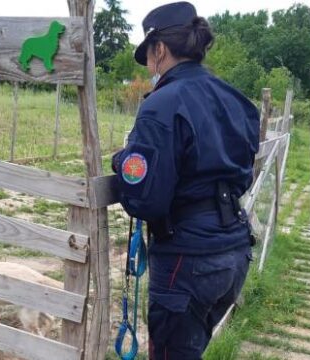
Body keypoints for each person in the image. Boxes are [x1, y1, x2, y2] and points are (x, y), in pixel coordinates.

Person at [111, 2, 260, 359]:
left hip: (187, 260)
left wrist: (122, 162)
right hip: (234, 251)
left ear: (159, 49)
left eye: (147, 55)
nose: (149, 66)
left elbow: (146, 201)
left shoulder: (161, 104)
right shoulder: (234, 98)